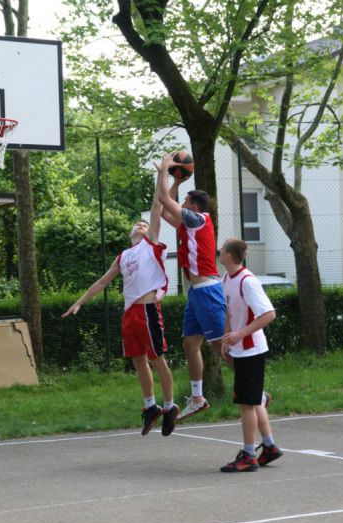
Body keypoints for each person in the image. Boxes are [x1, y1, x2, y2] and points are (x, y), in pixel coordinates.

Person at [62, 182, 179, 438]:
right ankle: (151, 407)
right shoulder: (123, 256)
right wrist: (80, 301)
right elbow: (102, 282)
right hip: (130, 314)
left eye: (144, 223)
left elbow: (156, 207)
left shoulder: (150, 244)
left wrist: (163, 176)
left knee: (157, 359)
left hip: (148, 310)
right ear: (129, 234)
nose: (141, 223)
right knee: (138, 360)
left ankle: (170, 407)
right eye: (137, 223)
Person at [155, 154, 226, 420]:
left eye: (185, 201)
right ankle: (197, 397)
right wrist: (175, 180)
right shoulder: (188, 223)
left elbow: (164, 201)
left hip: (207, 290)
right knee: (189, 344)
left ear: (194, 207)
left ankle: (254, 389)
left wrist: (164, 172)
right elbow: (165, 210)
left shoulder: (199, 219)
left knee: (221, 346)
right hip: (196, 293)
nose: (181, 203)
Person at [218, 237, 283, 472]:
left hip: (252, 351)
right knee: (254, 401)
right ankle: (269, 447)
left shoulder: (247, 281)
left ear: (229, 255)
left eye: (222, 248)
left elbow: (268, 314)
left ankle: (248, 455)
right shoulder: (226, 278)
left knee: (246, 404)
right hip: (239, 348)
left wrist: (240, 334)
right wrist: (227, 336)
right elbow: (228, 310)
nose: (219, 250)